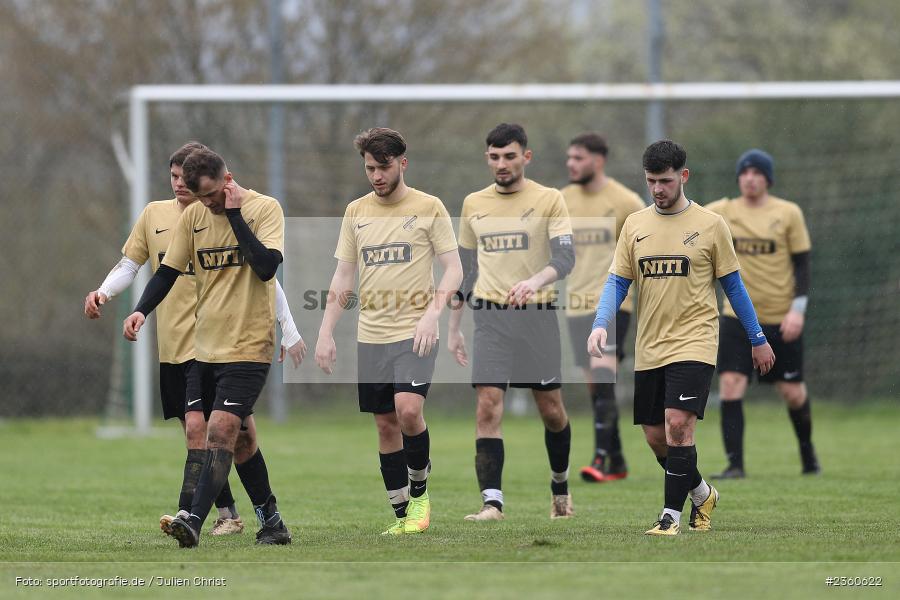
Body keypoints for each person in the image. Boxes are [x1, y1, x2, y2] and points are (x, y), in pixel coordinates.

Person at [84, 142, 306, 538]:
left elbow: (266, 268)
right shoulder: (192, 217)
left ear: (228, 180)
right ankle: (271, 522)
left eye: (212, 194)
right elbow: (166, 272)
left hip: (249, 346)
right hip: (203, 348)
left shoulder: (263, 208)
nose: (207, 204)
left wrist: (235, 215)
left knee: (217, 430)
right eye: (200, 197)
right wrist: (140, 310)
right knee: (240, 440)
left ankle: (193, 519)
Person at [587, 140, 775, 536]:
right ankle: (702, 492)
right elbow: (617, 283)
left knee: (678, 426)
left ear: (683, 177)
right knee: (657, 437)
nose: (658, 189)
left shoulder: (710, 225)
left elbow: (735, 288)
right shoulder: (635, 226)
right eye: (652, 181)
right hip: (650, 345)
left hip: (695, 341)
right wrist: (601, 323)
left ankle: (669, 517)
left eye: (666, 181)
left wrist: (757, 337)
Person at [314, 128, 461, 535]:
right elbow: (344, 276)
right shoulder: (355, 211)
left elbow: (454, 269)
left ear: (402, 163)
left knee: (408, 410)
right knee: (385, 424)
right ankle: (402, 513)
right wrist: (326, 332)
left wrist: (433, 316)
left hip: (415, 331)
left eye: (383, 167)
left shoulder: (429, 207)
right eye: (370, 168)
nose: (376, 176)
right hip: (371, 335)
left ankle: (420, 496)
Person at [449, 123, 576, 521]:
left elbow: (565, 258)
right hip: (490, 315)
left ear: (526, 156)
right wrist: (453, 327)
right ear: (487, 158)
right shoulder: (473, 203)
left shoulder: (549, 199)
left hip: (537, 314)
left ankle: (560, 487)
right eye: (494, 157)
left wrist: (535, 281)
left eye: (509, 156)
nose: (501, 164)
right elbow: (466, 271)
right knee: (488, 405)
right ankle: (492, 503)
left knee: (552, 410)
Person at [706, 149, 819, 478]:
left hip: (781, 317)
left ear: (767, 179)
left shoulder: (787, 213)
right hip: (736, 317)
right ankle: (735, 465)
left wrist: (797, 310)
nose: (749, 178)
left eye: (757, 173)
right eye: (744, 173)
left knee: (792, 392)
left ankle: (808, 455)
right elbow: (689, 217)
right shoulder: (722, 212)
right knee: (730, 384)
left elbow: (803, 264)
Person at [561, 133, 644, 483]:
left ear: (598, 160)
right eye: (570, 158)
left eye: (578, 158)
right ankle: (619, 459)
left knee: (604, 374)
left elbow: (645, 249)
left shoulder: (625, 201)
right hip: (575, 305)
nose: (571, 164)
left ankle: (599, 458)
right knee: (596, 384)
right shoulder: (562, 200)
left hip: (613, 304)